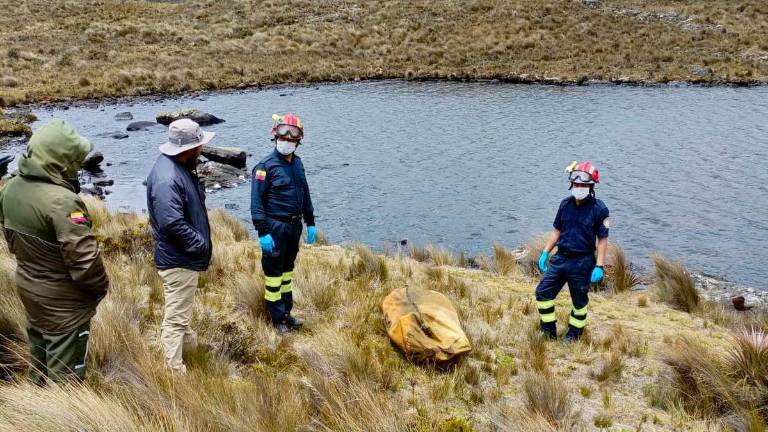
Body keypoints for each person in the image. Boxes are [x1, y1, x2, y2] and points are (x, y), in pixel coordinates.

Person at [0, 119, 109, 384]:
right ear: (61, 160)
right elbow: (85, 261)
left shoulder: (10, 189)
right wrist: (100, 289)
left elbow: (11, 242)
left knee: (39, 365)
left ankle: (36, 414)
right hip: (64, 306)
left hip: (30, 290)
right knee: (66, 381)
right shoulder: (63, 202)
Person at [146, 118, 213, 373]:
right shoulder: (168, 178)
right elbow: (171, 223)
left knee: (181, 317)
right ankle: (174, 373)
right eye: (199, 146)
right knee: (175, 321)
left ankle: (192, 357)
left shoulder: (176, 168)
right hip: (179, 261)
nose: (202, 150)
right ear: (187, 149)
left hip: (180, 258)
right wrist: (200, 245)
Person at [251, 113, 316, 332]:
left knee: (287, 272)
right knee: (273, 275)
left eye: (292, 136)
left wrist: (310, 221)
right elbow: (256, 202)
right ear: (275, 136)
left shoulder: (298, 164)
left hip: (294, 226)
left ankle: (287, 312)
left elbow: (305, 193)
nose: (287, 140)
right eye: (283, 135)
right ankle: (276, 318)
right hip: (274, 227)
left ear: (299, 140)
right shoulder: (265, 167)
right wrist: (262, 231)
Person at [535, 161, 609, 342]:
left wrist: (599, 266)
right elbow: (557, 231)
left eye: (583, 185)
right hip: (561, 258)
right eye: (576, 184)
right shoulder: (565, 204)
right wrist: (545, 252)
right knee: (542, 293)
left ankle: (574, 335)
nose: (579, 187)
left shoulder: (599, 209)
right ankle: (548, 331)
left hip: (583, 262)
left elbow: (602, 239)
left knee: (579, 302)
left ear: (591, 186)